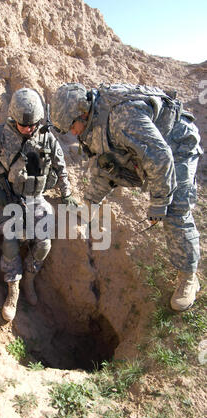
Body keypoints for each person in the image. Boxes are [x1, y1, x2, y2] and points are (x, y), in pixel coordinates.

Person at [50, 82, 204, 312]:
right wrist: (90, 203)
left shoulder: (123, 118)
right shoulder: (91, 124)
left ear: (83, 112)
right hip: (152, 151)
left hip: (176, 145)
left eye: (72, 126)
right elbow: (105, 166)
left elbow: (161, 157)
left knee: (175, 210)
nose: (72, 133)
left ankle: (189, 277)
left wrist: (159, 202)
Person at [0, 88, 77, 322]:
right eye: (23, 125)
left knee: (43, 244)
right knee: (10, 243)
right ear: (13, 117)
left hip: (35, 198)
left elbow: (61, 170)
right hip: (9, 198)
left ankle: (30, 277)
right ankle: (14, 289)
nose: (27, 129)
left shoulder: (46, 138)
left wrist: (67, 194)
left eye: (32, 124)